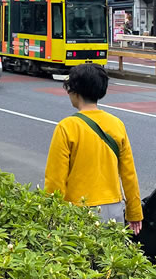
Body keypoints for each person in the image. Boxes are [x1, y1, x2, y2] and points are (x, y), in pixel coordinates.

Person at [44, 63, 143, 233]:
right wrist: (134, 213)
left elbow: (55, 179)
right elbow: (129, 174)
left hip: (78, 209)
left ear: (74, 92)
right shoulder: (117, 124)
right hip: (113, 208)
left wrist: (49, 215)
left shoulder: (67, 127)